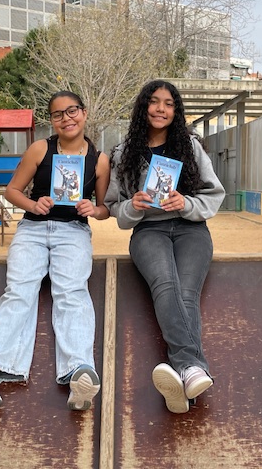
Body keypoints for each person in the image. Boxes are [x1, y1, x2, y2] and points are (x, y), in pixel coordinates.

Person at [0, 91, 110, 411]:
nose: (66, 118)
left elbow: (105, 209)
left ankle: (79, 371)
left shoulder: (99, 160)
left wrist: (93, 209)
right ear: (52, 120)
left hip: (73, 232)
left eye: (72, 111)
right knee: (18, 292)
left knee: (72, 292)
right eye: (58, 114)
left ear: (84, 113)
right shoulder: (40, 149)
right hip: (33, 229)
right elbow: (12, 191)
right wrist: (34, 204)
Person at [104, 80, 225, 414]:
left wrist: (186, 203)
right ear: (143, 106)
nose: (161, 109)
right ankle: (193, 368)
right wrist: (133, 206)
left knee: (186, 293)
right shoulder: (123, 153)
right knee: (166, 285)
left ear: (176, 110)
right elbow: (114, 207)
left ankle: (185, 377)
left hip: (191, 230)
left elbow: (214, 194)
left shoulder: (190, 146)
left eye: (169, 104)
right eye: (154, 102)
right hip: (148, 231)